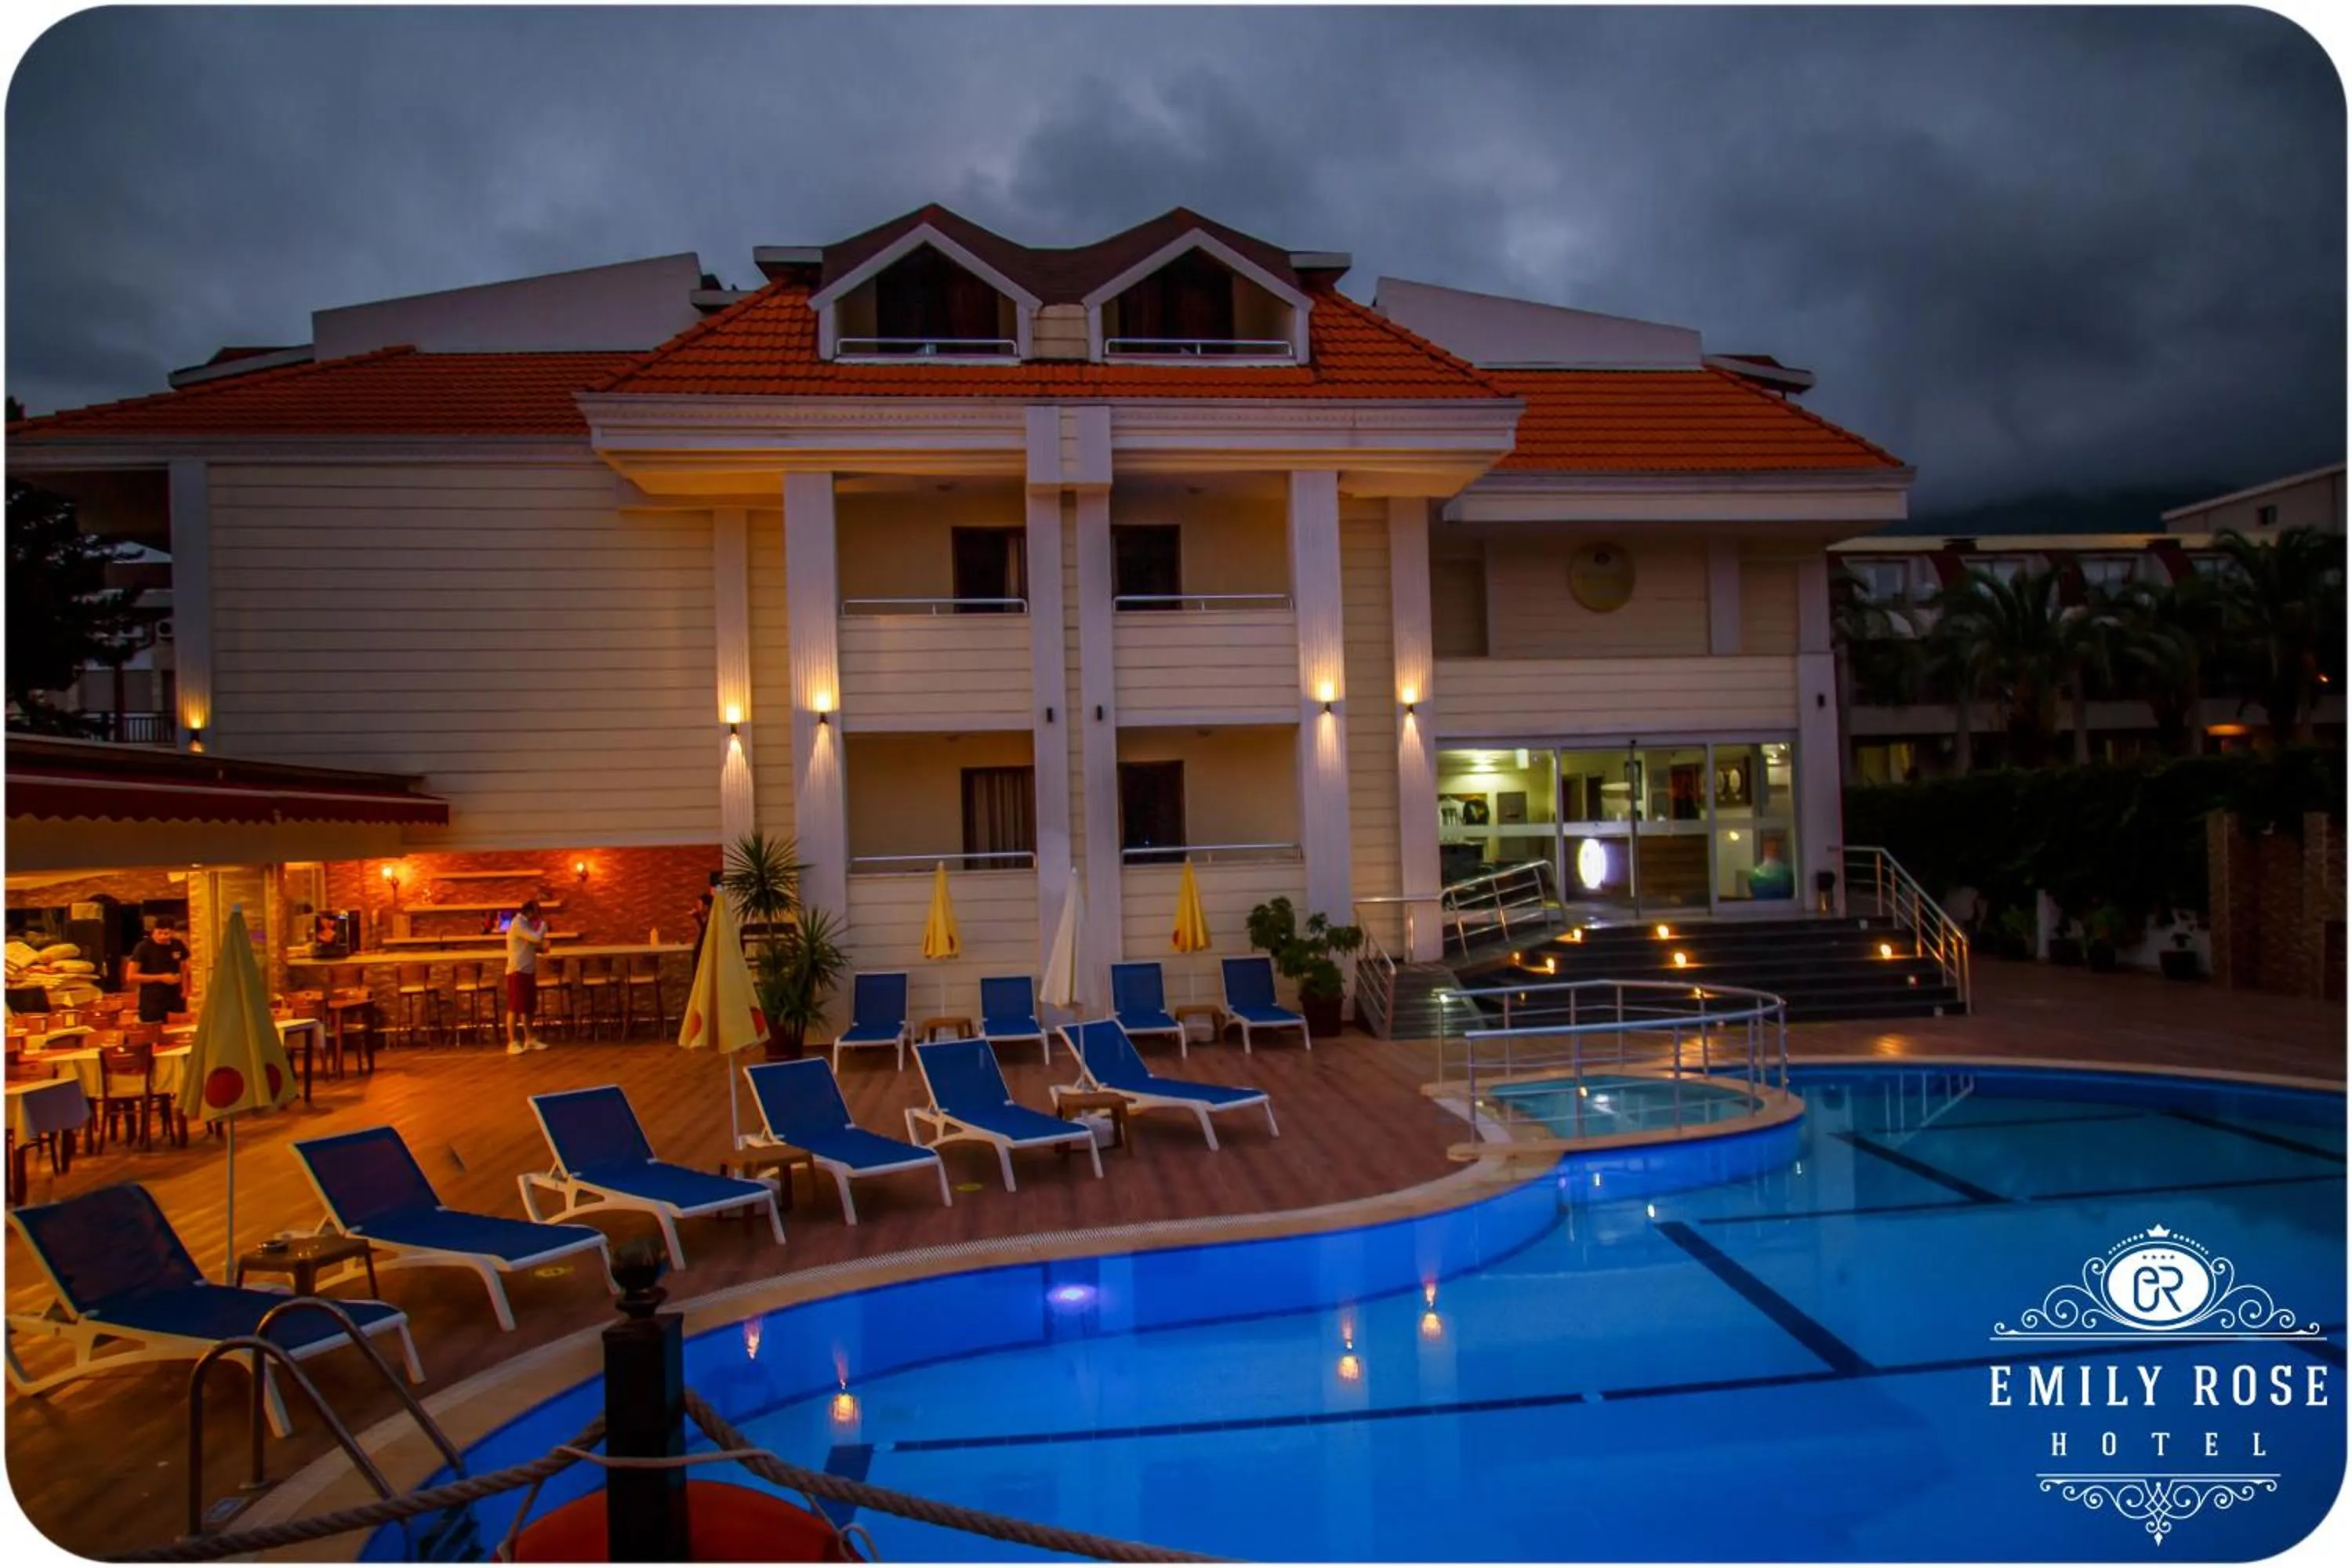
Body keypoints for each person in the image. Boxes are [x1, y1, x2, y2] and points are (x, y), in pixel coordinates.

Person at [504, 900, 551, 1054]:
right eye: (538, 911)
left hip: (528, 970)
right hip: (518, 970)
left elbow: (529, 944)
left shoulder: (526, 924)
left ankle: (529, 1039)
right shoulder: (518, 923)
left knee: (528, 1007)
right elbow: (536, 938)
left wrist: (540, 950)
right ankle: (512, 1042)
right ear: (530, 911)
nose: (539, 915)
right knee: (515, 1007)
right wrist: (544, 925)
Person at [125, 917, 192, 1024]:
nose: (163, 937)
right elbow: (130, 976)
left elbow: (183, 968)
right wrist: (161, 978)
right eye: (159, 933)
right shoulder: (143, 947)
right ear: (154, 931)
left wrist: (185, 989)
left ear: (173, 932)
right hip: (152, 997)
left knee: (176, 1028)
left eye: (167, 933)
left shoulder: (177, 944)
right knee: (154, 1028)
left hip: (175, 996)